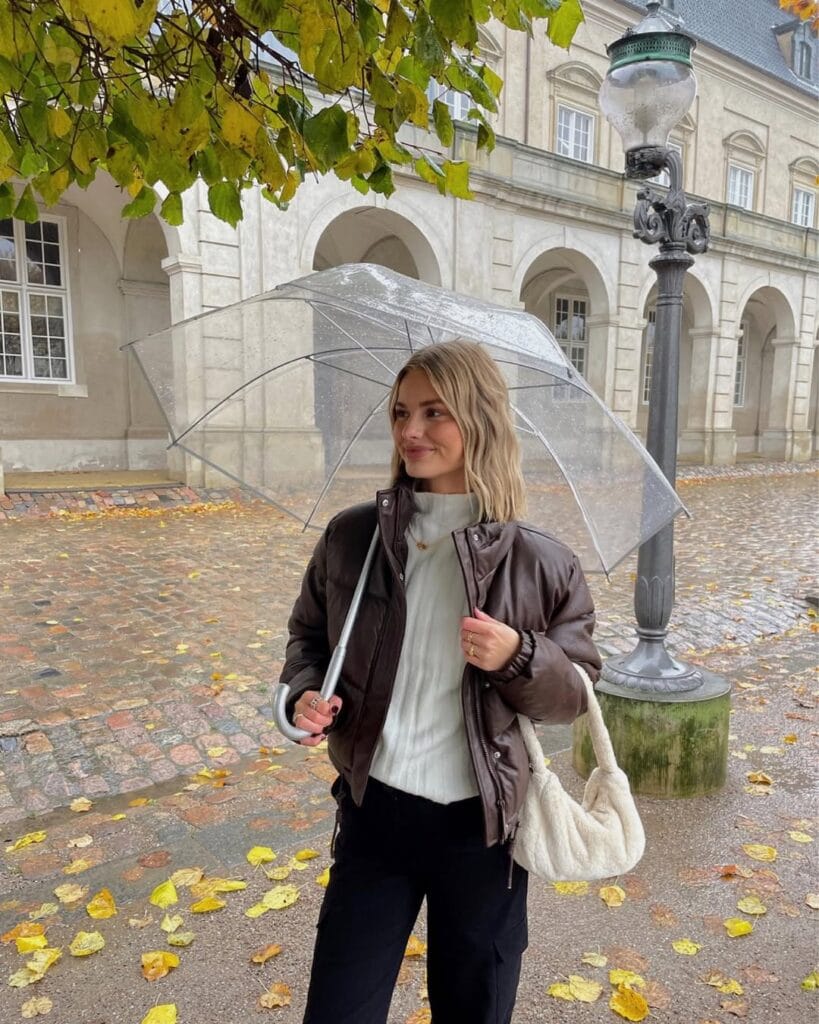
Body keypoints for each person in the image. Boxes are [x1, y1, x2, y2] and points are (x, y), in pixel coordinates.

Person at [280, 339, 602, 1024]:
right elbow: (307, 639)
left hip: (480, 832)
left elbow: (575, 692)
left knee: (472, 1010)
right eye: (400, 412)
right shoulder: (354, 538)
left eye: (434, 412)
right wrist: (300, 699)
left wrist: (517, 654)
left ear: (479, 419)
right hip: (374, 817)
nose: (410, 431)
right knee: (337, 1009)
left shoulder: (540, 561)